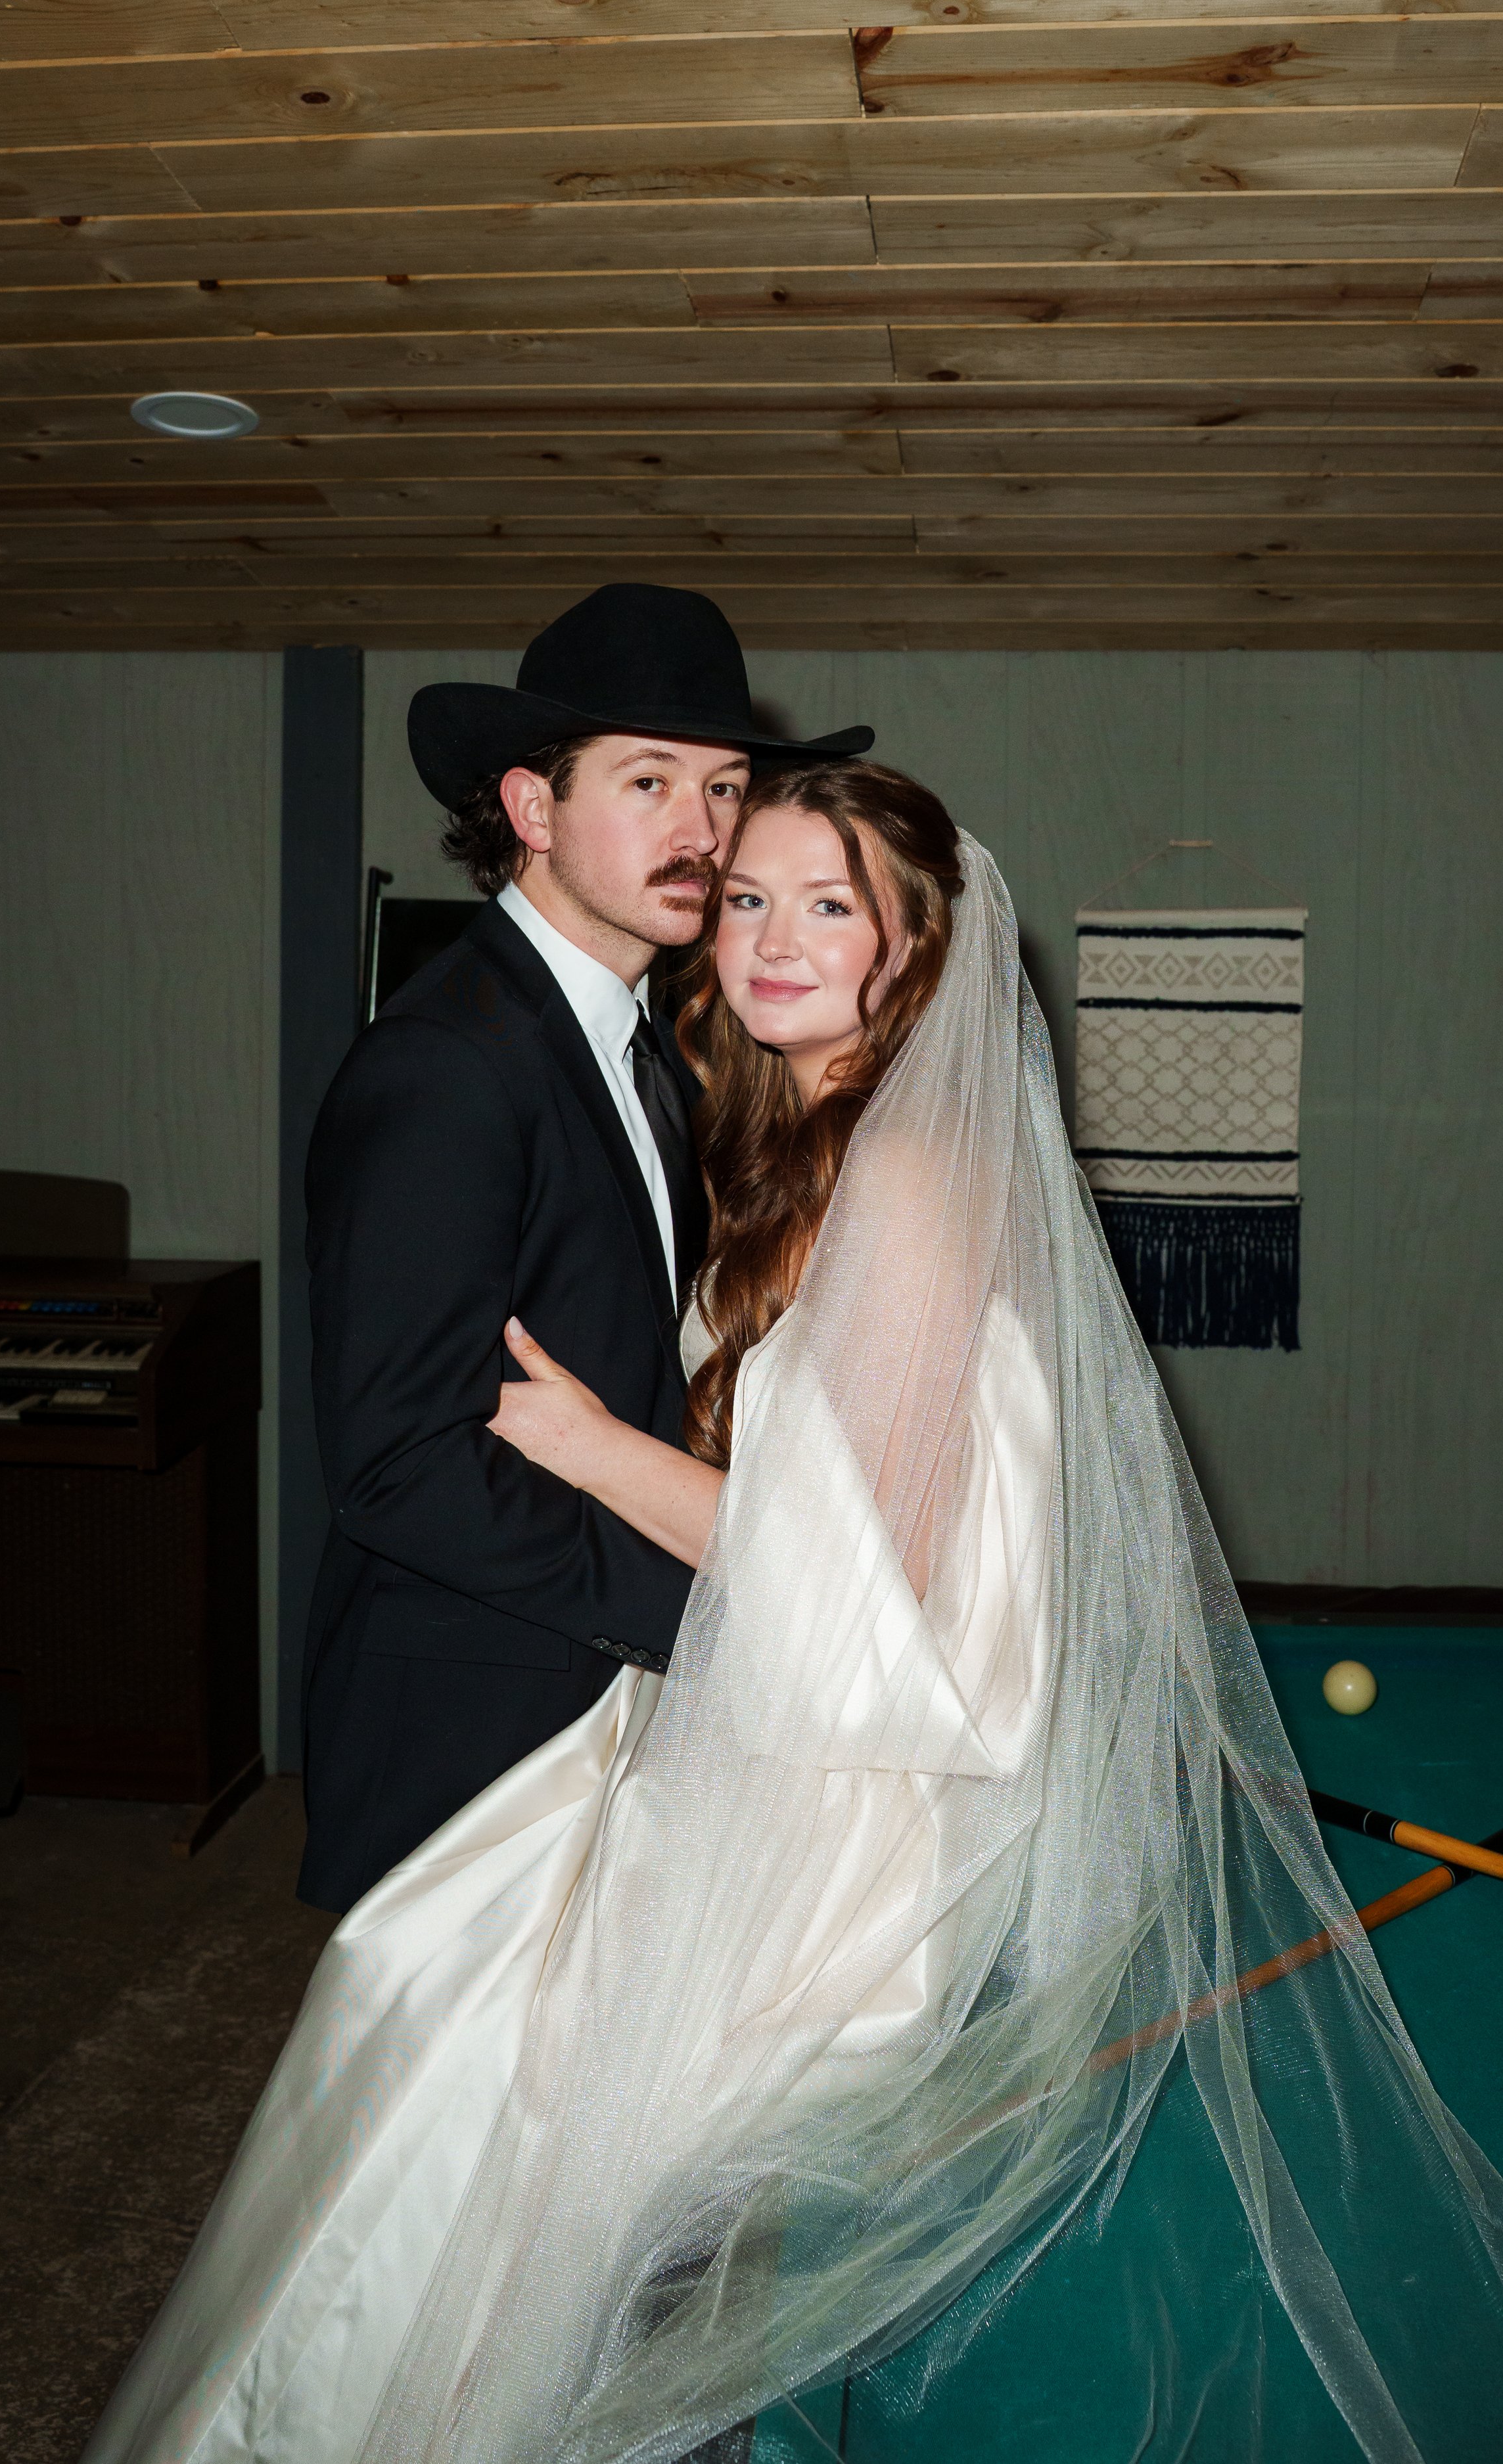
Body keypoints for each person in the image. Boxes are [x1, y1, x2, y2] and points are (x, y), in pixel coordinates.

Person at [88, 765, 1503, 2464]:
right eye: (751, 898)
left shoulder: (913, 1182)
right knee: (461, 2064)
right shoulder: (803, 1136)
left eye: (827, 903)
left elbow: (848, 1587)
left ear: (910, 947)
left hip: (837, 1819)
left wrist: (586, 1442)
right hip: (763, 1742)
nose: (771, 938)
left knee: (546, 2149)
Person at [295, 581, 871, 1910]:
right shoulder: (445, 1065)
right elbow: (397, 1464)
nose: (702, 831)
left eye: (725, 789)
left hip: (605, 1703)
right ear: (532, 809)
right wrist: (713, 1615)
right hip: (472, 1734)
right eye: (650, 782)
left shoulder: (648, 1050)